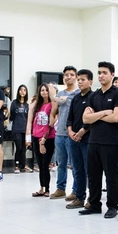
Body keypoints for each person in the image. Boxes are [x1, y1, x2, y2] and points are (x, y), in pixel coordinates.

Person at [80, 62, 118, 219]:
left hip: (111, 141)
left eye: (104, 72)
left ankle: (113, 206)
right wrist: (104, 112)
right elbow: (85, 118)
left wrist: (96, 116)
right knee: (93, 175)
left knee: (111, 175)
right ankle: (94, 205)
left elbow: (115, 118)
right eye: (99, 72)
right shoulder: (95, 95)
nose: (101, 75)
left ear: (112, 74)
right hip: (93, 140)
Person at [50, 66, 79, 200]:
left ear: (76, 77)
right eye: (66, 75)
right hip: (60, 133)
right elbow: (54, 112)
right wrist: (53, 97)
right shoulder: (60, 93)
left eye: (71, 75)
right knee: (61, 163)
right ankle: (60, 188)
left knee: (74, 164)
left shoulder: (79, 93)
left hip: (73, 133)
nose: (68, 77)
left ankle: (76, 190)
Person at [66, 69, 93, 209]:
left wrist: (81, 132)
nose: (80, 82)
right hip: (73, 138)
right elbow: (69, 118)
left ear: (90, 81)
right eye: (79, 80)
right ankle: (79, 196)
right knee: (77, 169)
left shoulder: (93, 97)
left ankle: (91, 198)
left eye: (83, 79)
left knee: (90, 170)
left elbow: (92, 120)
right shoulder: (76, 98)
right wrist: (70, 131)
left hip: (87, 138)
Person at [27, 84, 56, 197]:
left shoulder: (52, 105)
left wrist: (43, 139)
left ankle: (47, 188)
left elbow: (52, 123)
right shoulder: (37, 105)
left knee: (45, 164)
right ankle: (41, 187)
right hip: (36, 136)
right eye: (42, 90)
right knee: (39, 164)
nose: (44, 92)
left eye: (46, 90)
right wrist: (29, 138)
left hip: (48, 138)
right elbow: (31, 121)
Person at [10, 84, 32, 174]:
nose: (22, 91)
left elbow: (29, 117)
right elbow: (11, 116)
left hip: (25, 129)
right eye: (21, 90)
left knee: (24, 148)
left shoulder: (28, 104)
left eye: (24, 90)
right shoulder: (14, 103)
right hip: (16, 129)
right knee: (18, 147)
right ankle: (17, 165)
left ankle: (24, 165)